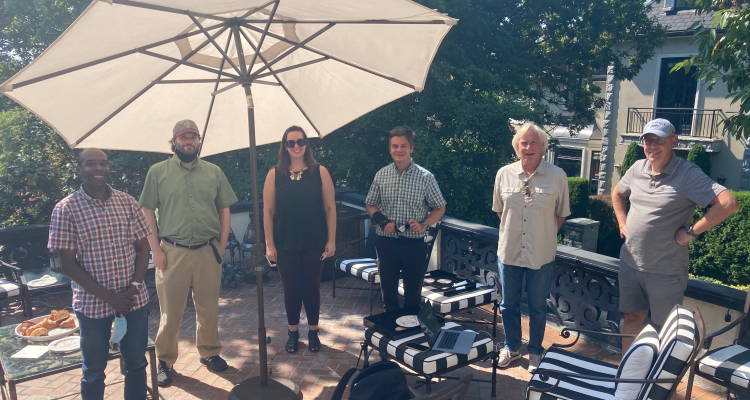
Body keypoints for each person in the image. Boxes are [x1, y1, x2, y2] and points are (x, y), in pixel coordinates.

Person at [613, 118, 738, 351]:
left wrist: (691, 232)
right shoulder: (637, 168)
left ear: (673, 141)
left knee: (665, 330)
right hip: (631, 263)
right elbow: (617, 193)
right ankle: (626, 376)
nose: (652, 146)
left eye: (658, 141)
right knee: (631, 319)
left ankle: (657, 384)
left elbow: (728, 203)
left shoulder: (688, 173)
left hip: (665, 270)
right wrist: (622, 222)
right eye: (647, 141)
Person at [139, 119, 238, 387]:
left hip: (208, 250)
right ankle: (165, 360)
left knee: (208, 307)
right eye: (183, 138)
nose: (189, 142)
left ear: (198, 141)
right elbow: (146, 210)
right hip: (172, 251)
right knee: (171, 310)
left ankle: (209, 352)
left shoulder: (214, 172)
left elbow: (224, 207)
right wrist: (155, 249)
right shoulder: (157, 172)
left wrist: (222, 242)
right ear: (174, 142)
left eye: (193, 137)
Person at [48, 148, 152, 400]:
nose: (98, 168)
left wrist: (135, 286)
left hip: (134, 300)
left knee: (136, 363)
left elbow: (143, 247)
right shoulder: (66, 209)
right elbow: (68, 265)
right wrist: (110, 298)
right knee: (94, 370)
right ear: (79, 169)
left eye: (103, 163)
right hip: (92, 305)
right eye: (91, 164)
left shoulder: (127, 202)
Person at [492, 123, 570, 373]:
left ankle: (536, 351)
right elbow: (500, 212)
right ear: (517, 147)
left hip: (541, 253)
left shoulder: (558, 176)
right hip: (509, 251)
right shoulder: (504, 174)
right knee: (508, 304)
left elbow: (560, 215)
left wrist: (542, 235)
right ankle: (512, 347)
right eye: (523, 143)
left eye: (533, 142)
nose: (528, 147)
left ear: (543, 147)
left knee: (538, 306)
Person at [263, 126, 337, 354]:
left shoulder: (320, 172)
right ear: (284, 147)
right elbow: (268, 212)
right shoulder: (274, 173)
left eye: (300, 141)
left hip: (315, 241)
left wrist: (332, 240)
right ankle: (293, 333)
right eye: (291, 142)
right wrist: (269, 244)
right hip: (285, 242)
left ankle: (313, 332)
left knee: (312, 288)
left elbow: (330, 208)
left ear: (307, 144)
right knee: (291, 290)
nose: (296, 146)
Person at [365, 126, 447, 312]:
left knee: (412, 294)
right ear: (389, 149)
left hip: (414, 244)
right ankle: (391, 333)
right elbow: (370, 204)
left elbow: (440, 207)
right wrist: (382, 221)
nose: (399, 150)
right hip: (386, 242)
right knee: (388, 293)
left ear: (411, 149)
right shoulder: (381, 174)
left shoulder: (425, 177)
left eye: (404, 146)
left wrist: (424, 224)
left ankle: (410, 334)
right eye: (395, 146)